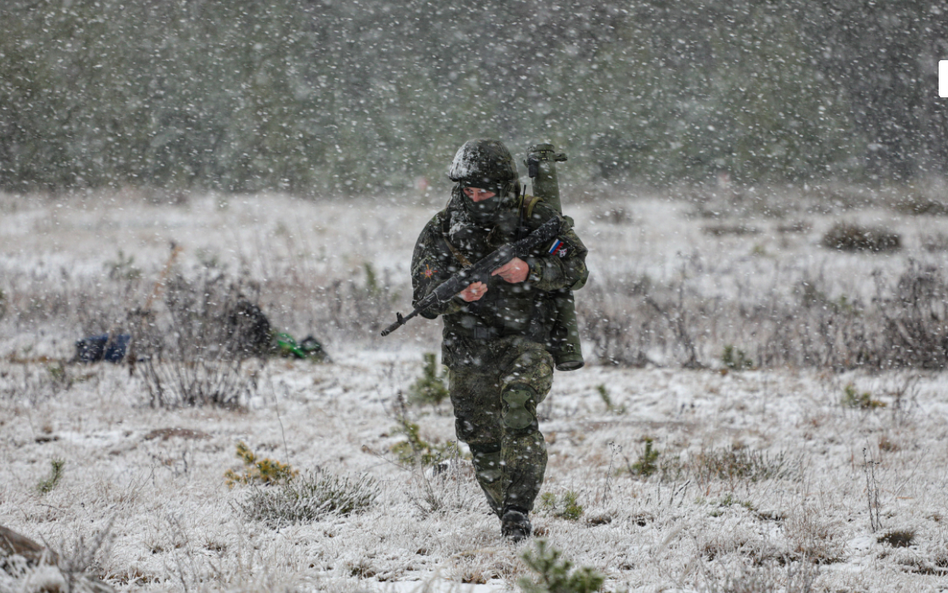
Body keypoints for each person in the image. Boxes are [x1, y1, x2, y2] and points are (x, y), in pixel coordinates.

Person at [410, 139, 589, 541]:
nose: (475, 199)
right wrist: (456, 296)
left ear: (503, 185)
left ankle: (518, 508)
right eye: (468, 191)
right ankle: (505, 514)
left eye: (484, 191)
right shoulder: (442, 229)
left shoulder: (535, 219)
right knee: (480, 436)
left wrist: (531, 268)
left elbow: (575, 268)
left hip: (528, 339)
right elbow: (423, 299)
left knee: (518, 406)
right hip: (468, 347)